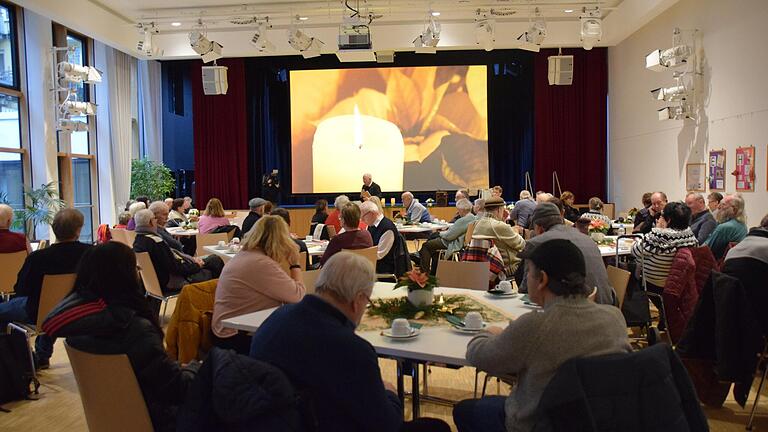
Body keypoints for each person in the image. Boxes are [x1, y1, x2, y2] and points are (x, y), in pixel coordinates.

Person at [453, 239, 631, 432]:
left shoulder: (535, 326)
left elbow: (479, 356)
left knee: (464, 410)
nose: (526, 277)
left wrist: (488, 332)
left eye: (528, 271)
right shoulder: (614, 318)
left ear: (542, 279)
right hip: (600, 421)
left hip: (536, 423)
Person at [42, 242, 197, 432]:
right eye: (135, 268)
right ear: (126, 276)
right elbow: (175, 390)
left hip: (114, 418)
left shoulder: (80, 329)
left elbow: (50, 320)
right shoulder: (134, 331)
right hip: (160, 417)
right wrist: (197, 369)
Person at [249, 252, 403, 432]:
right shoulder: (352, 349)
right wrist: (390, 393)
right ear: (358, 300)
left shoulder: (275, 320)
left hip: (263, 421)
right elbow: (387, 425)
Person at [0, 208, 92, 368]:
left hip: (37, 312)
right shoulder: (91, 254)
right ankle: (42, 353)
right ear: (78, 230)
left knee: (15, 310)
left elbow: (21, 289)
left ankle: (20, 361)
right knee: (52, 306)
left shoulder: (38, 258)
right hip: (79, 310)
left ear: (54, 229)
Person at [212, 215, 305, 355]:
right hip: (235, 337)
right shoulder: (261, 264)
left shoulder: (246, 255)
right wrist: (295, 264)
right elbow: (298, 297)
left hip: (226, 329)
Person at [519, 203, 616, 305]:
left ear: (539, 228)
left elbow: (526, 290)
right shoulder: (587, 238)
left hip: (572, 313)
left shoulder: (537, 243)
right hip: (605, 305)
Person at [132, 209, 222, 294]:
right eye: (154, 219)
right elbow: (175, 267)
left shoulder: (138, 240)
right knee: (215, 261)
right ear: (151, 222)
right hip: (174, 280)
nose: (156, 221)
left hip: (153, 282)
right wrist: (196, 266)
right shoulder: (156, 241)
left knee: (212, 260)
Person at [631, 201, 698, 293]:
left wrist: (658, 229)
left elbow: (635, 251)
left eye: (662, 216)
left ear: (669, 220)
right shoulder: (690, 235)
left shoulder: (660, 235)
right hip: (678, 283)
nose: (659, 219)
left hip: (655, 282)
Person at [418, 198, 475, 274]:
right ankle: (433, 273)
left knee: (426, 245)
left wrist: (440, 233)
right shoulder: (473, 218)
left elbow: (449, 236)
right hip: (459, 242)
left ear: (462, 210)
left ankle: (424, 273)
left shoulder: (462, 220)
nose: (458, 212)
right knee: (433, 246)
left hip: (452, 243)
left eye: (458, 210)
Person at [472, 196, 525, 277]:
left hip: (482, 269)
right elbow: (521, 244)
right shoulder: (499, 226)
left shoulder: (476, 224)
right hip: (505, 269)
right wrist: (516, 232)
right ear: (499, 210)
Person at [360, 200, 400, 274]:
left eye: (363, 216)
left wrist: (358, 254)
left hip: (383, 269)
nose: (362, 220)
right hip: (372, 265)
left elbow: (379, 254)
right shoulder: (370, 225)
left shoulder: (387, 228)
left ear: (372, 213)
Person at [705, 194, 748, 259]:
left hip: (719, 265)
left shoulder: (725, 227)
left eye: (723, 204)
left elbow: (706, 250)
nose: (718, 207)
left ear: (734, 209)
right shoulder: (742, 225)